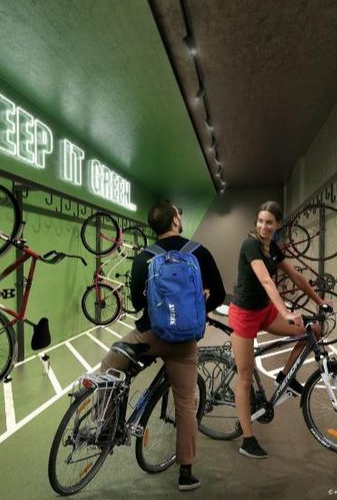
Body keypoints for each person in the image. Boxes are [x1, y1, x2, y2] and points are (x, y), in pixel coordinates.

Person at [101, 199, 225, 491]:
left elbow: (137, 303)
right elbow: (219, 294)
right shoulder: (199, 252)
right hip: (184, 342)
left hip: (151, 337)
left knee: (109, 364)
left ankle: (106, 425)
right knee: (186, 404)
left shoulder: (144, 257)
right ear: (175, 221)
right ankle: (186, 473)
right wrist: (196, 309)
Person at [229, 200, 325, 459]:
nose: (264, 226)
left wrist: (320, 301)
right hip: (245, 315)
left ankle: (285, 377)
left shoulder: (272, 247)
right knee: (245, 378)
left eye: (269, 222)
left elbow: (296, 276)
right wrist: (286, 312)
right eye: (260, 221)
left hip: (265, 311)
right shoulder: (250, 245)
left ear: (277, 224)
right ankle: (247, 439)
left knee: (313, 331)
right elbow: (265, 280)